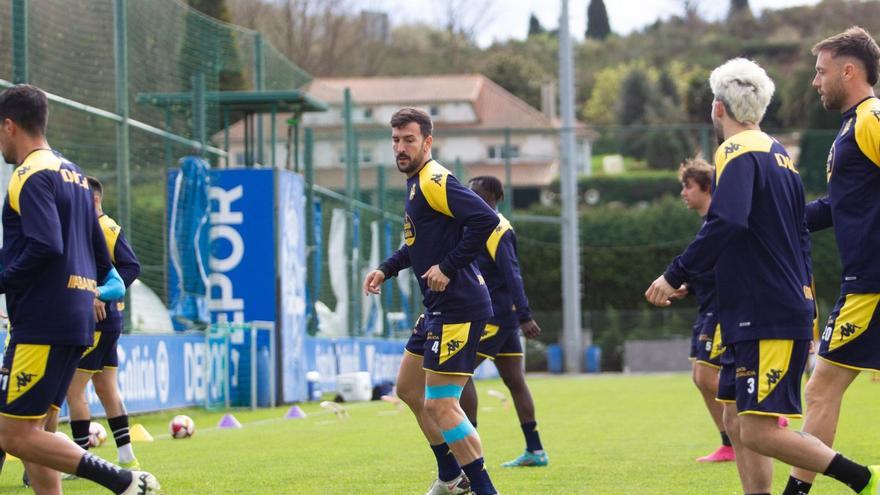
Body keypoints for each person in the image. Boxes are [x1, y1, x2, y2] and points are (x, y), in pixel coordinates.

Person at [645, 58, 879, 495]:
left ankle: (863, 479)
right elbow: (791, 231)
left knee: (755, 430)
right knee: (736, 419)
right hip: (763, 308)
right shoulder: (779, 155)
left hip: (765, 312)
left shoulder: (735, 151)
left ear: (718, 108)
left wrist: (675, 271)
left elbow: (726, 222)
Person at [0, 84, 159, 494]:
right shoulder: (73, 174)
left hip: (41, 321)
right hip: (75, 319)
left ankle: (123, 480)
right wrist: (97, 285)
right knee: (37, 433)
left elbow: (46, 244)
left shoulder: (28, 175)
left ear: (9, 126)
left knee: (14, 435)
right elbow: (96, 249)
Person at [363, 107, 500, 495]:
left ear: (427, 142)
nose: (401, 148)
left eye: (409, 140)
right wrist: (386, 269)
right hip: (437, 308)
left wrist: (450, 265)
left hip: (459, 306)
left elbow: (485, 219)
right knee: (408, 388)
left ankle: (483, 489)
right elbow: (416, 245)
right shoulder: (415, 184)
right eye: (395, 140)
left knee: (441, 404)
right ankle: (451, 476)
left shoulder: (435, 179)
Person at [785, 26, 880, 495]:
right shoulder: (850, 127)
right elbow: (840, 205)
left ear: (849, 70)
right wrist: (780, 221)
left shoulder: (871, 119)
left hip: (872, 284)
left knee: (820, 387)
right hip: (866, 279)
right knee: (822, 387)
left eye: (821, 72)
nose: (815, 81)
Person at [457, 175, 548, 468]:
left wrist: (524, 314)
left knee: (458, 372)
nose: (470, 197)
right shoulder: (478, 225)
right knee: (515, 380)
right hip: (502, 318)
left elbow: (512, 273)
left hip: (494, 317)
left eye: (475, 193)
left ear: (492, 197)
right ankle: (535, 451)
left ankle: (469, 456)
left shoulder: (497, 229)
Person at [66, 176, 142, 471]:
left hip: (99, 319)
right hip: (109, 321)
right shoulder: (92, 227)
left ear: (94, 200)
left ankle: (79, 461)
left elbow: (131, 266)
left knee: (74, 390)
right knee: (106, 387)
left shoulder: (104, 228)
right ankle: (126, 456)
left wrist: (100, 293)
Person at [676, 158, 734, 463]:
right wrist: (688, 285)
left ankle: (756, 416)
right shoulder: (707, 222)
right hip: (707, 306)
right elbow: (711, 267)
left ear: (706, 188)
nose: (684, 193)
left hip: (722, 309)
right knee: (702, 378)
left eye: (688, 186)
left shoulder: (721, 220)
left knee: (706, 375)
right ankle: (729, 441)